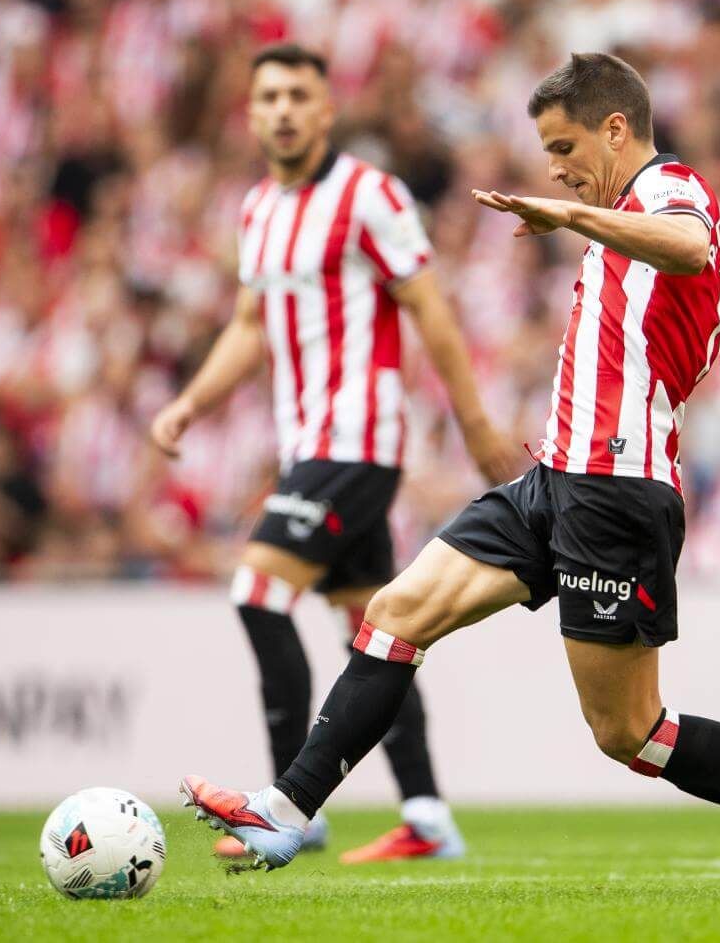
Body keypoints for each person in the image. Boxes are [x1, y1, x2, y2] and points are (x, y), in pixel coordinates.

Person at [179, 52, 720, 890]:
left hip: (617, 493)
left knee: (630, 733)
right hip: (553, 482)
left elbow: (690, 245)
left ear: (617, 129)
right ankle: (286, 812)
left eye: (565, 145)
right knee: (398, 611)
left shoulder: (668, 192)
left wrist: (571, 218)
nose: (555, 168)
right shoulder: (667, 237)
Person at [150, 43, 525, 865]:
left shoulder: (369, 195)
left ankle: (289, 807)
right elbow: (250, 327)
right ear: (251, 114)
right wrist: (190, 402)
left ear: (326, 110)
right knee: (379, 628)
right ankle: (427, 816)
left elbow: (426, 305)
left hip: (356, 438)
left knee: (257, 590)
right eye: (269, 96)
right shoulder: (258, 209)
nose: (282, 109)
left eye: (298, 95)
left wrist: (475, 423)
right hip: (307, 442)